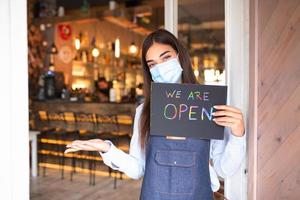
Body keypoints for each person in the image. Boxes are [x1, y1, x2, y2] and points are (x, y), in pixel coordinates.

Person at [65, 29, 245, 200]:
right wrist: (106, 148)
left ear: (179, 57)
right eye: (152, 64)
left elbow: (224, 169)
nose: (160, 68)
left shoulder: (207, 106)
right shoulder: (144, 111)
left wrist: (238, 134)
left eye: (166, 58)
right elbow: (138, 169)